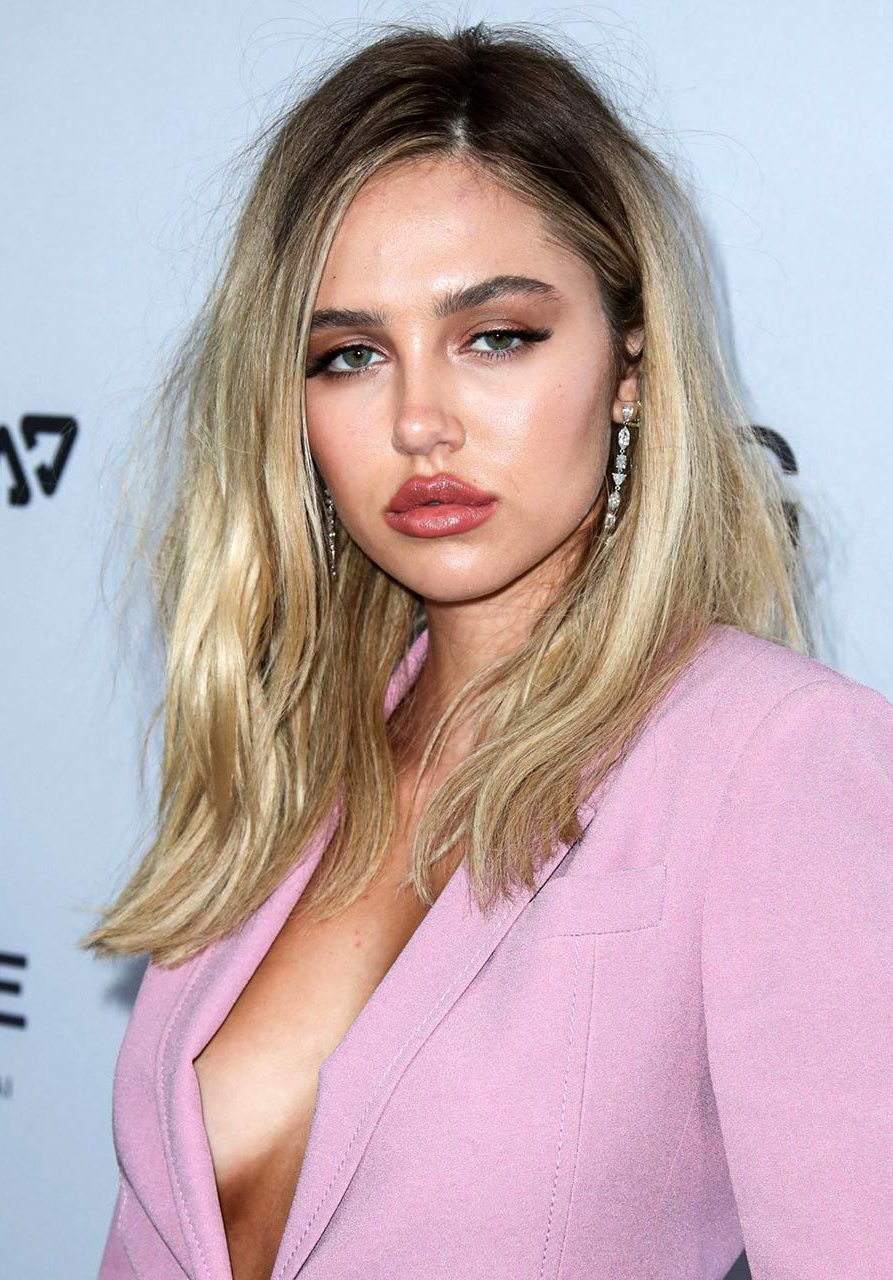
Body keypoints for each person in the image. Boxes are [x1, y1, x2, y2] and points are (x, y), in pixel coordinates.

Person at [81, 20, 893, 1280]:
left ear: (627, 363)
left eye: (495, 335)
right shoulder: (285, 762)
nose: (419, 420)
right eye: (349, 354)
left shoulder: (770, 761)